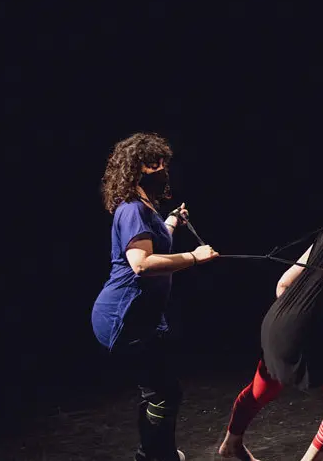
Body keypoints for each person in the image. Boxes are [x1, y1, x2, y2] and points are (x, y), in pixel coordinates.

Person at [218, 177, 323, 461]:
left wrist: (290, 319)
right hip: (298, 329)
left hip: (276, 321)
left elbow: (284, 283)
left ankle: (230, 444)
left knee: (263, 386)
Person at [91, 132, 219, 461]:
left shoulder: (144, 206)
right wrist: (194, 257)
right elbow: (141, 264)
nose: (163, 169)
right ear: (138, 168)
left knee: (159, 391)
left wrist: (171, 222)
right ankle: (154, 455)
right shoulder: (132, 209)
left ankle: (153, 453)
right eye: (155, 164)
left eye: (163, 163)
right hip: (123, 316)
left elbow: (153, 241)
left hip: (141, 316)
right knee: (164, 392)